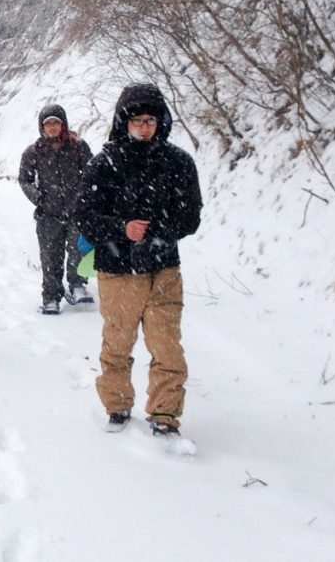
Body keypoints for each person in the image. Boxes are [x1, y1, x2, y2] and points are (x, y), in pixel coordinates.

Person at [74, 83, 202, 437]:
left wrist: (154, 229)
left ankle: (164, 413)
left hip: (164, 267)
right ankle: (117, 404)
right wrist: (121, 228)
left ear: (161, 121)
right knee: (118, 342)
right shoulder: (105, 164)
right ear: (123, 122)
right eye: (137, 120)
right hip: (118, 270)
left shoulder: (178, 162)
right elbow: (84, 215)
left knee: (167, 345)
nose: (145, 127)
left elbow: (190, 217)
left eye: (151, 120)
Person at [18, 104, 94, 315]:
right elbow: (25, 179)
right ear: (42, 127)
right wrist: (38, 197)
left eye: (56, 122)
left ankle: (77, 283)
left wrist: (85, 197)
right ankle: (51, 296)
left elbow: (92, 173)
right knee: (50, 257)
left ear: (63, 125)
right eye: (47, 123)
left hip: (76, 212)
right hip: (48, 214)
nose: (52, 127)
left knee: (78, 250)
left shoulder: (78, 147)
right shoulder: (34, 151)